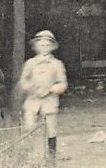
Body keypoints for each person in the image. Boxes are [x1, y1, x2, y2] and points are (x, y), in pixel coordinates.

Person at [17, 30, 68, 159]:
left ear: (52, 47)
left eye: (47, 45)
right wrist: (32, 88)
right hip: (32, 101)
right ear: (35, 47)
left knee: (51, 130)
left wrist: (51, 89)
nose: (44, 48)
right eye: (41, 45)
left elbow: (63, 84)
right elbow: (23, 82)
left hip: (49, 101)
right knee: (29, 128)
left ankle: (51, 157)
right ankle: (31, 156)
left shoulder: (57, 64)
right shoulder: (30, 63)